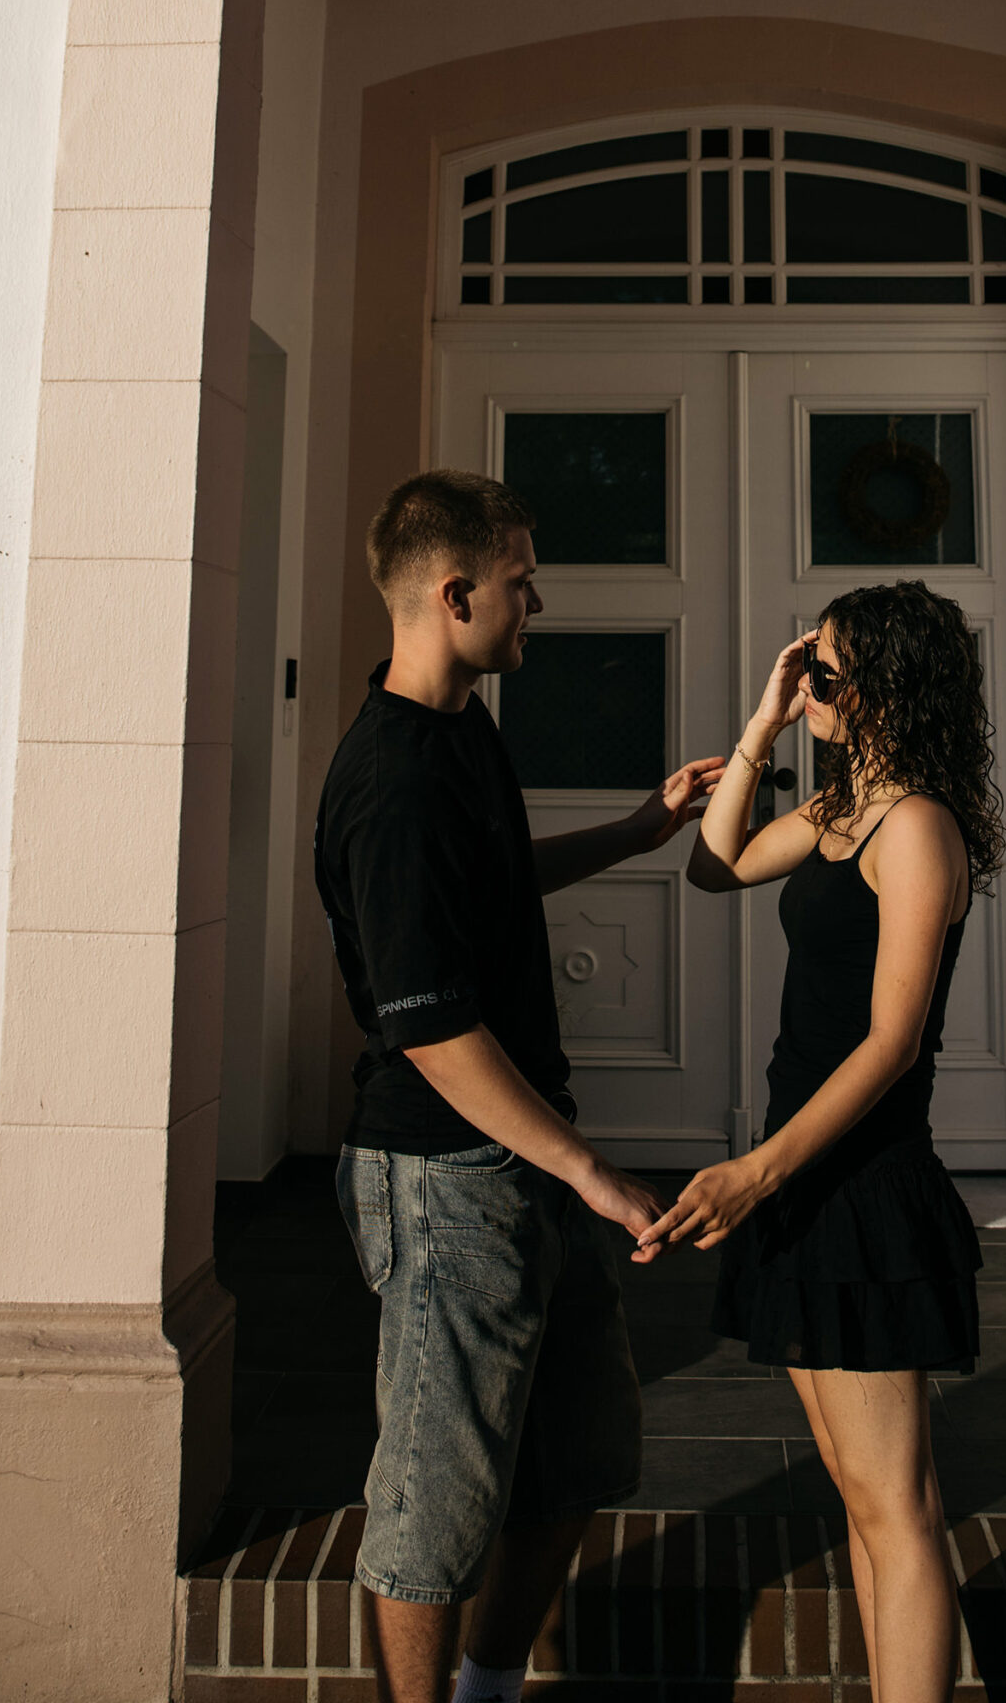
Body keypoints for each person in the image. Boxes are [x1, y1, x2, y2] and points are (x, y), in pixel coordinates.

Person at [315, 469, 722, 1703]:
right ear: (455, 595)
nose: (536, 601)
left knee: (579, 1460)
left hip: (523, 1159)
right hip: (444, 1179)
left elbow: (489, 880)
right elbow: (433, 1030)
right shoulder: (391, 781)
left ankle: (488, 1686)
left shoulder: (461, 732)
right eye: (520, 580)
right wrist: (591, 1174)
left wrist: (637, 830)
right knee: (435, 1505)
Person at [637, 580, 1005, 1703]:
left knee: (899, 1507)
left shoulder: (918, 827)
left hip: (859, 1185)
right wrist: (763, 723)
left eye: (826, 675)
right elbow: (713, 864)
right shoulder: (844, 806)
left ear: (886, 686)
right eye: (808, 671)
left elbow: (893, 1043)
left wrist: (755, 1172)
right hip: (800, 1174)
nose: (812, 689)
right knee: (862, 1495)